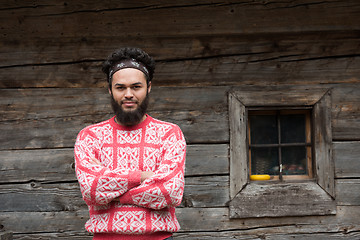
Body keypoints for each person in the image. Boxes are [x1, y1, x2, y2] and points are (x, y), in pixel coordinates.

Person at [74, 47, 186, 240]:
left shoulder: (169, 133)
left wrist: (111, 193)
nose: (128, 94)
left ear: (148, 87)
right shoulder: (90, 136)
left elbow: (171, 192)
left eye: (136, 87)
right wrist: (143, 177)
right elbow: (91, 189)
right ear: (110, 89)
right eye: (120, 87)